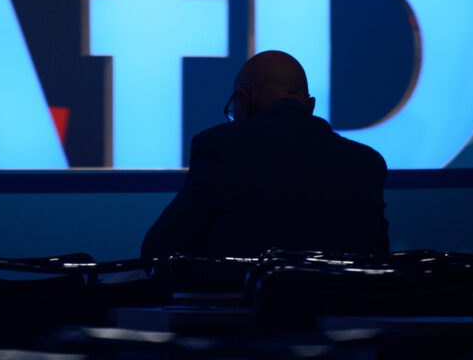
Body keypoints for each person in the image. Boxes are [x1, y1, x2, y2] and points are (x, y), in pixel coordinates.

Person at [141, 50, 389, 258]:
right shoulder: (367, 163)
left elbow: (160, 249)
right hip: (345, 311)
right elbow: (379, 256)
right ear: (310, 107)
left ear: (243, 99)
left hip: (243, 314)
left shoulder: (222, 147)